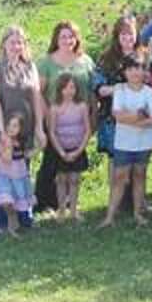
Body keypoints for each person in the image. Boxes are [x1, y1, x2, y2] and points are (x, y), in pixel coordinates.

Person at [0, 26, 45, 233]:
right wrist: (2, 134)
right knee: (4, 173)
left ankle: (23, 215)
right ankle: (1, 219)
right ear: (4, 44)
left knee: (22, 173)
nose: (16, 46)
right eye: (12, 42)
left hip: (25, 130)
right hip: (2, 128)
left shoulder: (30, 67)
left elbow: (36, 99)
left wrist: (39, 128)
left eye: (20, 42)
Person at [36, 20, 96, 213]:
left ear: (76, 39)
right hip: (54, 119)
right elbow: (38, 92)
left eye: (71, 36)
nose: (67, 40)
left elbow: (92, 90)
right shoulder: (46, 62)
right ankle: (45, 202)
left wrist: (93, 114)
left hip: (79, 121)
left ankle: (70, 202)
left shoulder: (85, 61)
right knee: (52, 162)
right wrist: (46, 116)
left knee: (74, 164)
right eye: (63, 36)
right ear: (56, 38)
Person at [102, 54, 152, 228]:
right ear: (125, 72)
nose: (135, 72)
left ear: (144, 71)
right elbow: (118, 116)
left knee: (139, 175)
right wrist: (140, 116)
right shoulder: (120, 91)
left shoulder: (149, 93)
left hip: (144, 142)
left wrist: (136, 120)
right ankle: (109, 217)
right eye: (131, 68)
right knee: (120, 177)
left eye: (139, 68)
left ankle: (138, 213)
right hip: (123, 142)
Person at [48, 73, 91, 222]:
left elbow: (87, 130)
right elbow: (52, 132)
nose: (69, 91)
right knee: (61, 179)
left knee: (74, 179)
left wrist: (79, 150)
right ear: (60, 89)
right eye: (65, 88)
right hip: (60, 149)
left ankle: (73, 210)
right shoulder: (55, 108)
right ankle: (61, 210)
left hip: (77, 148)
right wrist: (60, 152)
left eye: (72, 87)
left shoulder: (82, 106)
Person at [0, 113, 41, 234]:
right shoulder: (0, 142)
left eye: (15, 126)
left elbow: (25, 155)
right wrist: (8, 145)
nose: (11, 128)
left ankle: (18, 223)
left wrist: (38, 147)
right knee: (5, 200)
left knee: (19, 199)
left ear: (20, 129)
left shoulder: (20, 142)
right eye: (8, 125)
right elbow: (7, 159)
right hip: (5, 176)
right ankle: (7, 221)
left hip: (19, 175)